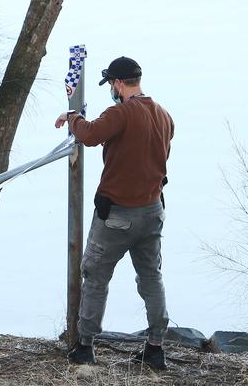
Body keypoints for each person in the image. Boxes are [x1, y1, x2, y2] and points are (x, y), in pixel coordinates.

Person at [55, 56, 174, 370]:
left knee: (95, 277)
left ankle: (84, 346)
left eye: (110, 83)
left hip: (117, 216)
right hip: (153, 211)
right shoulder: (163, 115)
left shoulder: (121, 112)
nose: (111, 88)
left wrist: (72, 118)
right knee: (152, 279)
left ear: (119, 84)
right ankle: (156, 348)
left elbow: (90, 135)